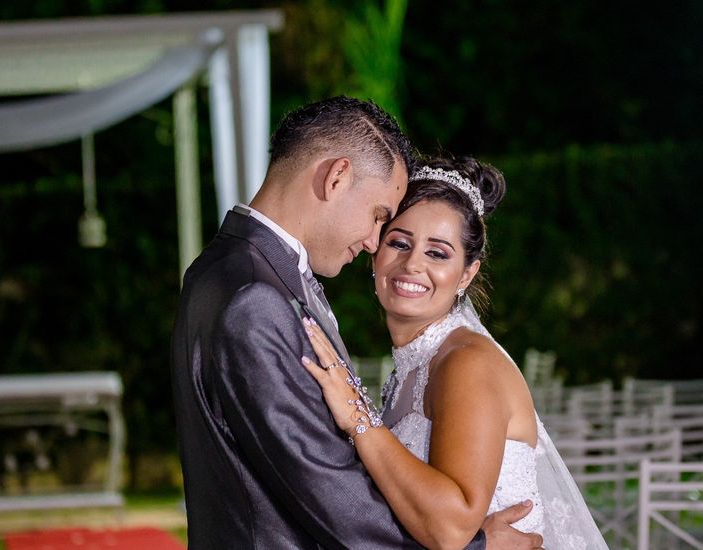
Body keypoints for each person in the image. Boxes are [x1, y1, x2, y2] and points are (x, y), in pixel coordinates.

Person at [171, 97, 543, 548]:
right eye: (382, 221)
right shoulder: (257, 297)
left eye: (438, 252)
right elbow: (327, 489)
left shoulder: (224, 270)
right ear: (337, 176)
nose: (372, 242)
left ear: (469, 272)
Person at [301, 156, 608, 549]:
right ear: (375, 252)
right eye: (399, 242)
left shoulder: (467, 362)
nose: (412, 264)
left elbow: (451, 527)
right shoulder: (416, 364)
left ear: (466, 274)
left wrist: (358, 418)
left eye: (438, 253)